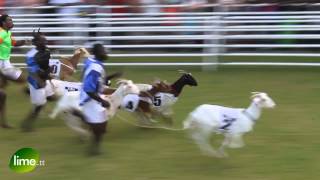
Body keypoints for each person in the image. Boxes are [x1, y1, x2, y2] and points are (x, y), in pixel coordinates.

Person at [78, 43, 110, 155]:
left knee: (102, 125)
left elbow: (87, 63)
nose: (106, 52)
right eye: (103, 51)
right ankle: (93, 150)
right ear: (97, 53)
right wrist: (103, 101)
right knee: (100, 127)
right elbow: (88, 89)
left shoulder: (92, 62)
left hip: (94, 97)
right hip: (90, 99)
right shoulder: (95, 68)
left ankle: (94, 146)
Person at [20, 30, 56, 132]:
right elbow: (35, 72)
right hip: (36, 82)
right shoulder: (31, 55)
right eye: (42, 40)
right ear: (35, 42)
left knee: (52, 97)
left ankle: (40, 99)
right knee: (39, 105)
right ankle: (26, 124)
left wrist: (48, 71)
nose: (45, 42)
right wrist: (48, 71)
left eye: (45, 40)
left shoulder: (46, 51)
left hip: (44, 79)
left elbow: (45, 65)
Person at [0, 14, 29, 84]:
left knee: (20, 79)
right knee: (21, 79)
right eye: (9, 20)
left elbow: (14, 43)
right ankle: (3, 76)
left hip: (5, 62)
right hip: (1, 62)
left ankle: (3, 77)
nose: (12, 21)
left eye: (11, 20)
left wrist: (24, 41)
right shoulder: (2, 33)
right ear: (4, 23)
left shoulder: (8, 32)